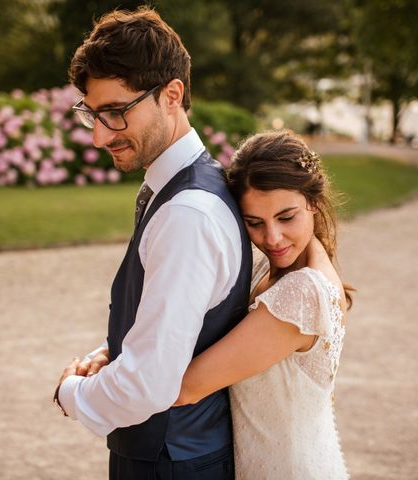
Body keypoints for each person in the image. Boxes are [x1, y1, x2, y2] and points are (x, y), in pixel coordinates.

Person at [53, 7, 252, 480]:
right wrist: (115, 350)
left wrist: (68, 393)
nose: (100, 136)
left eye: (116, 112)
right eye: (92, 114)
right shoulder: (189, 188)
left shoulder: (186, 212)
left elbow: (147, 384)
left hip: (172, 463)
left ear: (172, 95)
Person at [174, 130, 353, 479]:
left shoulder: (302, 291)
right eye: (254, 223)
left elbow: (187, 387)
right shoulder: (264, 267)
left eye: (286, 218)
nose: (271, 238)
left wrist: (105, 381)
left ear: (313, 202)